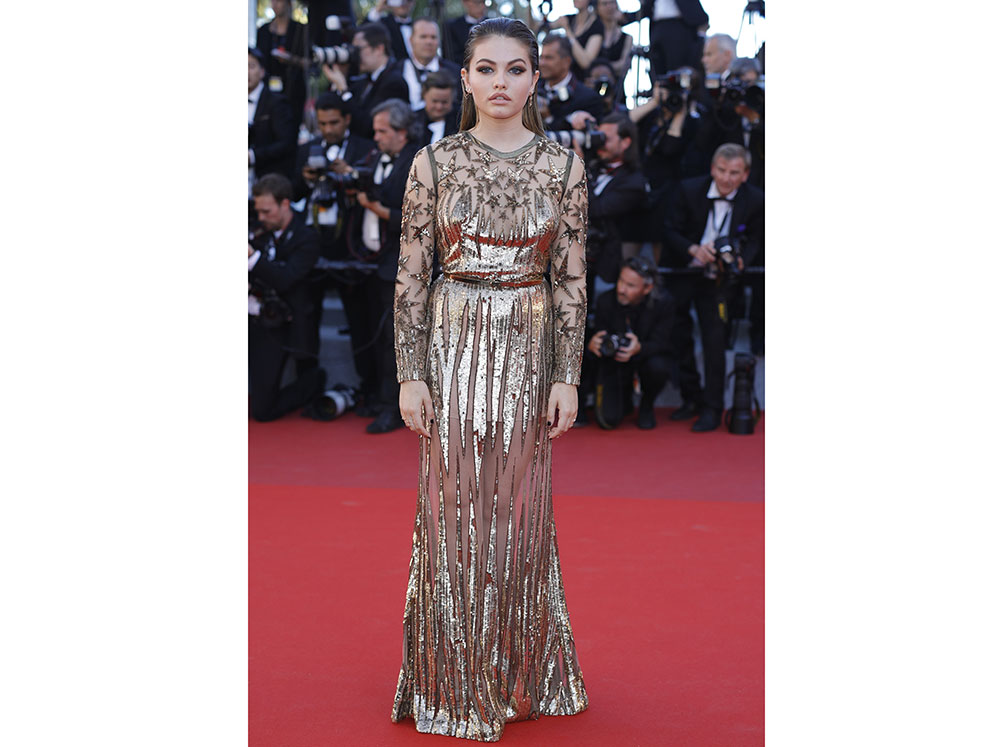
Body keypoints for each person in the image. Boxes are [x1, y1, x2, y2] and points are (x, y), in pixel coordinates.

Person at [390, 17, 589, 740]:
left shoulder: (565, 167)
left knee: (518, 514)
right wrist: (410, 373)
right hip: (452, 343)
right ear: (465, 78)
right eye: (486, 68)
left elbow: (572, 280)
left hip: (529, 346)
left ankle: (515, 672)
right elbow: (412, 277)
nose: (500, 82)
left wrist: (567, 374)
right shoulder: (432, 164)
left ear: (536, 79)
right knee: (452, 510)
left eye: (515, 69)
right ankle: (450, 678)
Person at [660, 143, 763, 432]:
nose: (727, 178)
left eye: (734, 173)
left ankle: (713, 408)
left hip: (719, 281)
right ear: (712, 168)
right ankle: (691, 398)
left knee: (715, 342)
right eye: (722, 170)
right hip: (683, 273)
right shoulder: (688, 189)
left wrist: (741, 260)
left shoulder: (756, 200)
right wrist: (693, 249)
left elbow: (756, 239)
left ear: (745, 174)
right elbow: (669, 229)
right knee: (679, 337)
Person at [291, 93, 379, 413]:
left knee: (359, 321)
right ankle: (307, 389)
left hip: (351, 246)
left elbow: (373, 188)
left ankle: (369, 391)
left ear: (347, 120)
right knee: (306, 320)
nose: (328, 129)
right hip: (314, 243)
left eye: (333, 123)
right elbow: (292, 192)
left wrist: (350, 173)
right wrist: (305, 180)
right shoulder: (307, 149)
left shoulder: (365, 148)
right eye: (322, 124)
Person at [351, 98, 422, 434]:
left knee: (395, 340)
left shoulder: (416, 162)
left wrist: (376, 209)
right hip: (373, 261)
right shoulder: (377, 157)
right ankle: (377, 398)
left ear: (401, 132)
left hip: (402, 264)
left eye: (382, 131)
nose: (376, 138)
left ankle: (393, 407)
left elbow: (417, 218)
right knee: (377, 335)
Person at [248, 174, 327, 421]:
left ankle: (313, 383)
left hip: (282, 324)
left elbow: (286, 278)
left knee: (262, 411)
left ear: (285, 204)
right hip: (254, 317)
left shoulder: (307, 236)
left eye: (266, 211)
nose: (261, 217)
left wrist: (252, 258)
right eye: (258, 211)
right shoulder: (257, 231)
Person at [580, 256, 674, 429]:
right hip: (612, 363)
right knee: (608, 418)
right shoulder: (606, 300)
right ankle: (582, 405)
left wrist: (639, 348)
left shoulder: (663, 303)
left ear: (647, 288)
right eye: (621, 281)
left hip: (644, 358)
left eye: (630, 285)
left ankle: (647, 405)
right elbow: (599, 338)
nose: (621, 289)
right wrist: (593, 344)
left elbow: (663, 343)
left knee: (658, 366)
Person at [586, 112, 649, 309]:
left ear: (625, 142)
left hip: (605, 266)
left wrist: (577, 170)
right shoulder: (593, 165)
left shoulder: (634, 182)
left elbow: (596, 209)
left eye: (606, 138)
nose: (600, 143)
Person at [321, 22, 409, 140]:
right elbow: (331, 107)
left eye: (357, 50)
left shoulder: (394, 82)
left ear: (379, 49)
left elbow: (368, 127)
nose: (355, 55)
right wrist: (341, 76)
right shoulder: (363, 81)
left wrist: (343, 89)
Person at [253, 0, 309, 130]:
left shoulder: (300, 30)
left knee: (290, 126)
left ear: (288, 3)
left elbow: (310, 61)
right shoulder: (263, 30)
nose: (275, 4)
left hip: (293, 89)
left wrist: (291, 59)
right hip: (268, 87)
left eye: (279, 1)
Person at [249, 47, 297, 197]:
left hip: (267, 183)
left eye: (251, 66)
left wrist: (252, 156)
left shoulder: (276, 102)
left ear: (262, 71)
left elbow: (286, 143)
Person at [537, 35, 605, 137]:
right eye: (541, 57)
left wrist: (548, 118)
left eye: (549, 58)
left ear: (566, 62)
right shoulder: (531, 88)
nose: (542, 63)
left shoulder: (588, 99)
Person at [390, 17, 462, 111]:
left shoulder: (455, 72)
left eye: (433, 37)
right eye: (423, 37)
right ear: (411, 40)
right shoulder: (395, 70)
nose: (429, 42)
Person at [551, 0, 605, 81]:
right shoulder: (570, 19)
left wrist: (567, 30)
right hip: (566, 78)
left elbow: (585, 62)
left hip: (582, 80)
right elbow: (543, 26)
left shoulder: (597, 25)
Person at [413, 71, 460, 145]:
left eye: (444, 102)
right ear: (424, 95)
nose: (439, 107)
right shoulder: (412, 122)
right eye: (434, 101)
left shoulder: (462, 122)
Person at [595, 0, 633, 81]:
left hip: (616, 84)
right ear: (597, 8)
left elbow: (624, 64)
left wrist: (602, 68)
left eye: (612, 2)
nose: (609, 7)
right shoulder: (593, 34)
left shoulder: (627, 37)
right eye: (604, 4)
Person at [443, 0, 489, 65]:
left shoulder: (493, 25)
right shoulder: (452, 26)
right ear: (465, 2)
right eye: (477, 2)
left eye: (484, 2)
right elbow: (450, 56)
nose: (482, 6)